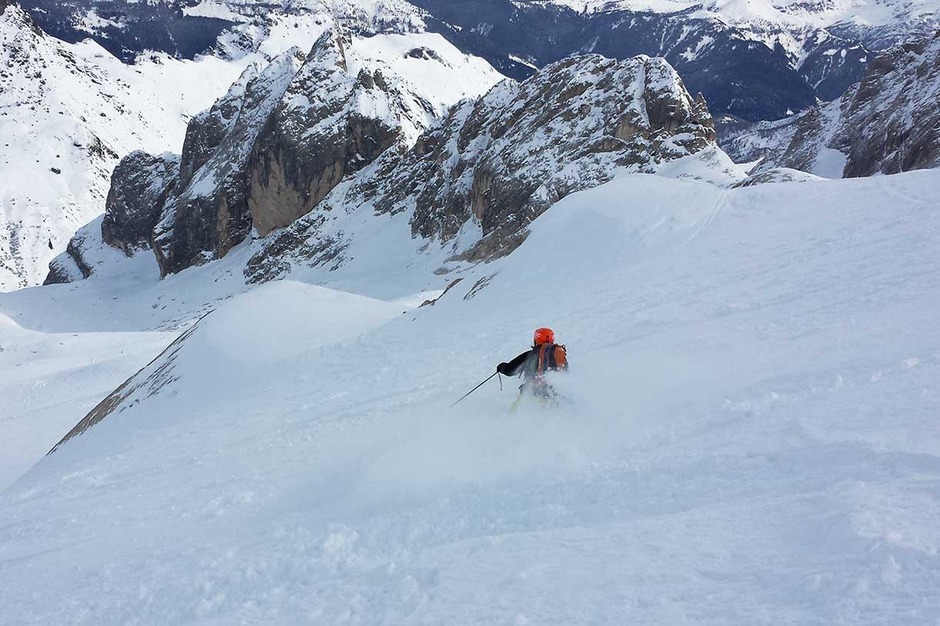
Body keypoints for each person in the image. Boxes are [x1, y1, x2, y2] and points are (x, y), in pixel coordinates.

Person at [497, 327, 568, 404]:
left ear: (536, 339)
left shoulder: (529, 355)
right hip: (555, 397)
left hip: (532, 395)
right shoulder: (559, 356)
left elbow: (509, 370)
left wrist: (501, 367)